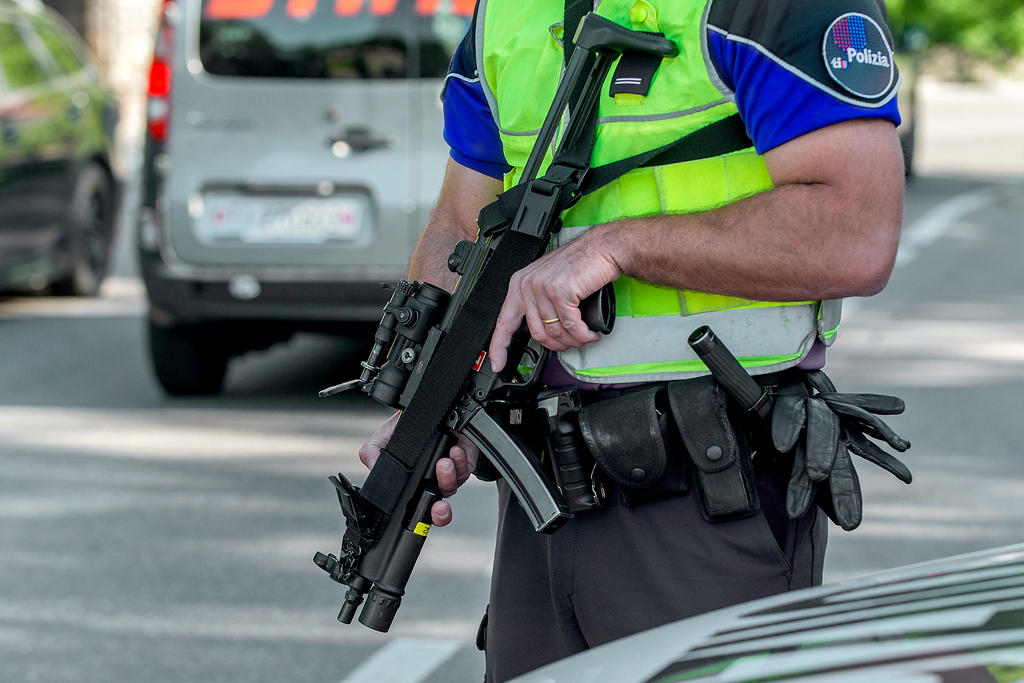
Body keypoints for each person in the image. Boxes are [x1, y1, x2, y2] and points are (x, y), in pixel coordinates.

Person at [359, 0, 908, 679]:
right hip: (546, 497)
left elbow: (855, 231)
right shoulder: (505, 9)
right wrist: (433, 407)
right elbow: (461, 223)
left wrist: (619, 247)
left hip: (710, 489)